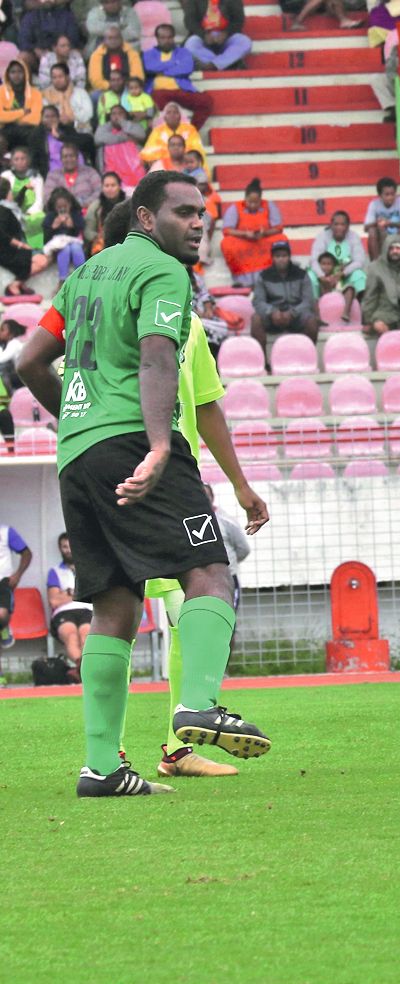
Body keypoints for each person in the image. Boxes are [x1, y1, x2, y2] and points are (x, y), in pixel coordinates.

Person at [14, 171, 269, 797]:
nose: (199, 223)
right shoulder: (163, 273)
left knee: (115, 605)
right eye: (184, 212)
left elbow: (27, 362)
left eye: (202, 213)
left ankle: (102, 768)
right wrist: (158, 444)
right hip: (137, 439)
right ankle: (199, 707)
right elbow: (158, 357)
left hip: (78, 453)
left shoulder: (78, 277)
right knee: (209, 567)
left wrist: (80, 418)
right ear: (146, 220)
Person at [144, 24, 214, 127]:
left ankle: (191, 131)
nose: (166, 41)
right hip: (159, 92)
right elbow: (149, 68)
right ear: (157, 39)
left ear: (173, 38)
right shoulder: (148, 54)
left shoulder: (184, 52)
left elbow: (186, 69)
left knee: (206, 101)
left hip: (181, 90)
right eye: (162, 38)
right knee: (156, 102)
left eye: (169, 37)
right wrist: (174, 63)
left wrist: (161, 71)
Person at [250, 240, 318, 345]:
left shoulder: (301, 274)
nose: (281, 259)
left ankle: (307, 357)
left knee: (312, 321)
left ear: (289, 257)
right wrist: (271, 311)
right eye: (277, 256)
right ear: (272, 258)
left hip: (296, 315)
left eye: (284, 256)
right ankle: (262, 360)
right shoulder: (264, 276)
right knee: (256, 320)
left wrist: (293, 313)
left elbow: (308, 300)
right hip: (273, 316)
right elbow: (258, 301)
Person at [219, 179, 284, 286]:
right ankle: (242, 281)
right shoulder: (235, 207)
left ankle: (270, 276)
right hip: (243, 240)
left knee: (281, 239)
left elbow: (278, 228)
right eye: (250, 202)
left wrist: (265, 233)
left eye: (256, 202)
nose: (253, 205)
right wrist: (245, 234)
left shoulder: (269, 205)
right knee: (227, 243)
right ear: (245, 198)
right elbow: (227, 230)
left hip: (263, 239)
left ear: (261, 200)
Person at [47, 533, 94, 679]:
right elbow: (54, 601)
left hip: (87, 609)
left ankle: (84, 671)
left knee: (86, 634)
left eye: (70, 546)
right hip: (63, 612)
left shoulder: (88, 569)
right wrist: (78, 593)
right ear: (60, 549)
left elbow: (94, 594)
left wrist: (67, 593)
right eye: (64, 547)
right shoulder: (54, 571)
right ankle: (82, 668)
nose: (68, 550)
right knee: (71, 635)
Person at [310, 210, 368, 313]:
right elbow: (314, 260)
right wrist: (321, 276)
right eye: (336, 224)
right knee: (310, 276)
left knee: (360, 275)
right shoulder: (322, 236)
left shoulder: (354, 237)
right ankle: (315, 310)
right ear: (331, 225)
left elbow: (359, 261)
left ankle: (360, 308)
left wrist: (342, 274)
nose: (339, 228)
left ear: (348, 226)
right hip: (324, 275)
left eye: (343, 224)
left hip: (345, 275)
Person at [139, 101, 206, 168]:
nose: (172, 115)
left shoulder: (190, 129)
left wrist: (174, 155)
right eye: (169, 112)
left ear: (180, 116)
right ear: (164, 117)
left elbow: (196, 148)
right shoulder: (158, 131)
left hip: (186, 164)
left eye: (175, 112)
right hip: (163, 165)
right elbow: (148, 151)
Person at [0, 58, 45, 151]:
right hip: (5, 130)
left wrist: (10, 117)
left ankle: (34, 164)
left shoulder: (36, 93)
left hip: (27, 130)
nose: (16, 75)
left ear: (25, 73)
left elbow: (35, 119)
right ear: (8, 74)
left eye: (20, 72)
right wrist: (22, 112)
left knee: (38, 133)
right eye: (13, 72)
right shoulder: (1, 92)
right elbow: (1, 116)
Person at [41, 187, 87, 278]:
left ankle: (82, 278)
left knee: (76, 249)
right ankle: (63, 279)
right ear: (54, 206)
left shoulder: (75, 214)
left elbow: (80, 229)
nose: (62, 209)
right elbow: (45, 238)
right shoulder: (50, 216)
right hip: (57, 245)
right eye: (59, 207)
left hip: (74, 242)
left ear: (70, 204)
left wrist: (72, 226)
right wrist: (53, 227)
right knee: (64, 249)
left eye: (65, 207)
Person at [363, 177, 400, 262]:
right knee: (372, 231)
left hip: (398, 233)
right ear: (380, 195)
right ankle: (376, 263)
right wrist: (378, 223)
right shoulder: (374, 204)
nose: (390, 197)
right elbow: (366, 227)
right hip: (381, 234)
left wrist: (389, 223)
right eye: (387, 194)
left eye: (392, 194)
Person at [0, 524, 31, 648]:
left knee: (1, 615)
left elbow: (27, 553)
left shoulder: (5, 531)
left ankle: (4, 627)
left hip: (3, 582)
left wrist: (18, 575)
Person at [46, 142, 98, 209]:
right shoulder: (52, 176)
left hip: (88, 212)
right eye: (65, 156)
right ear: (61, 159)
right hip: (61, 213)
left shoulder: (90, 172)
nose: (69, 159)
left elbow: (99, 192)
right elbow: (48, 197)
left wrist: (85, 203)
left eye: (72, 156)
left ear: (77, 157)